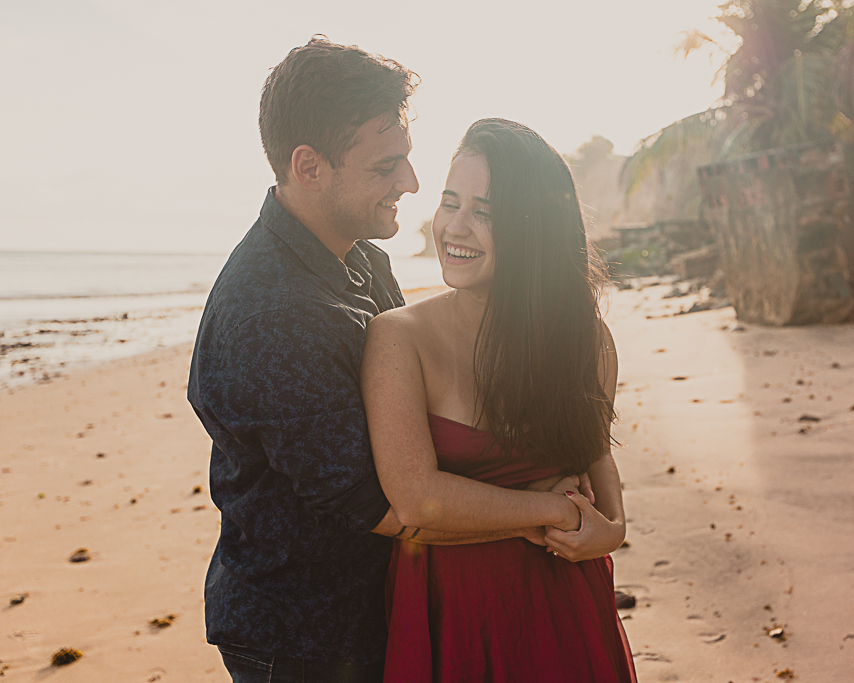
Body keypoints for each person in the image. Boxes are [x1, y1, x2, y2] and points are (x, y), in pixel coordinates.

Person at [188, 39, 620, 683]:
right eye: (387, 166)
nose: (409, 184)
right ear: (309, 167)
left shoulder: (360, 259)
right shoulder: (271, 314)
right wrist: (551, 510)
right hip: (308, 636)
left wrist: (599, 521)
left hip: (389, 610)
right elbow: (394, 508)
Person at [361, 119, 637, 682]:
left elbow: (594, 455)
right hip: (452, 615)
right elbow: (417, 499)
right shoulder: (399, 338)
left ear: (533, 228)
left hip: (566, 605)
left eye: (485, 212)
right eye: (449, 202)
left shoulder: (587, 341)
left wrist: (615, 527)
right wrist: (554, 509)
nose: (454, 228)